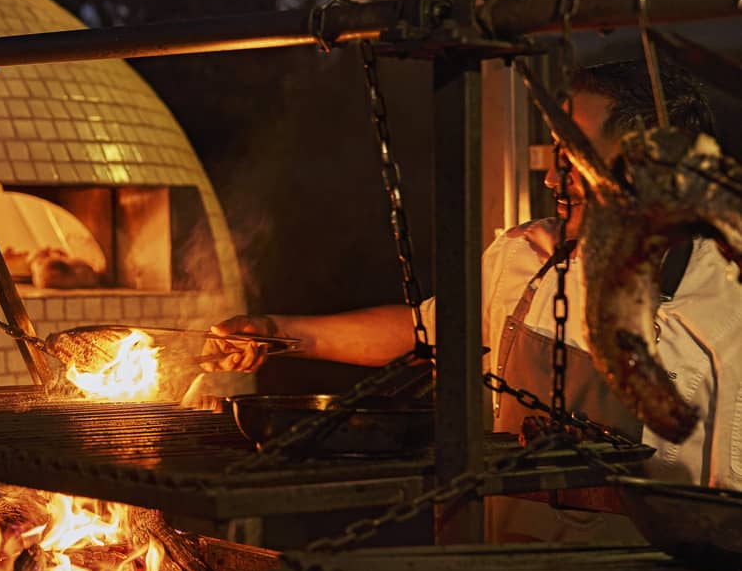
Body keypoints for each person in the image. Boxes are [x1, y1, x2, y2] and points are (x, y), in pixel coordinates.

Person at [204, 60, 742, 542]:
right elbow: (422, 332)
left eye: (574, 156)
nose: (551, 176)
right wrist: (276, 332)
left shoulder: (728, 300)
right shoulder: (527, 256)